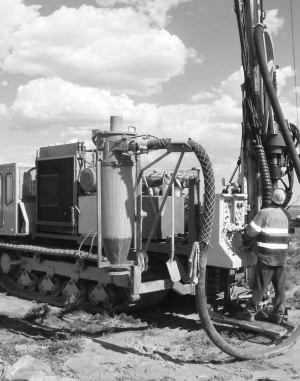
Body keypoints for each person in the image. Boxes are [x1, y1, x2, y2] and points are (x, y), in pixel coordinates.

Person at [237, 188, 291, 324]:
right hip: (281, 258)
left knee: (260, 287)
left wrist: (245, 238)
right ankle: (278, 315)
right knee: (280, 289)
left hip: (267, 257)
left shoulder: (264, 213)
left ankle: (250, 313)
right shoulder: (286, 214)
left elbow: (251, 232)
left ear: (271, 199)